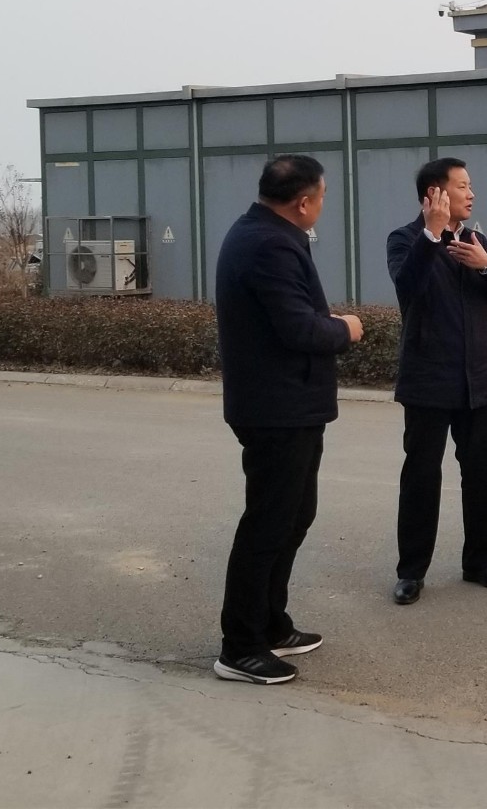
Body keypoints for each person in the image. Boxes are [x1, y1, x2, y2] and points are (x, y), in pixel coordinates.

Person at [213, 154, 364, 685]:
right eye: (322, 197)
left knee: (294, 516)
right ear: (303, 202)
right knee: (268, 524)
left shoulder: (264, 233)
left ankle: (270, 623)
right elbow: (299, 329)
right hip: (276, 410)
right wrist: (346, 328)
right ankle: (240, 646)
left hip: (289, 406)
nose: (322, 205)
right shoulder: (269, 245)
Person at [385, 158, 487, 606]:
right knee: (421, 475)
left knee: (481, 471)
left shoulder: (474, 239)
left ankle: (481, 561)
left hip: (478, 378)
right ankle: (411, 571)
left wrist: (486, 265)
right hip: (428, 380)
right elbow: (409, 286)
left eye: (470, 185)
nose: (472, 193)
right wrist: (431, 235)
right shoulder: (404, 239)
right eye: (462, 186)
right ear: (436, 194)